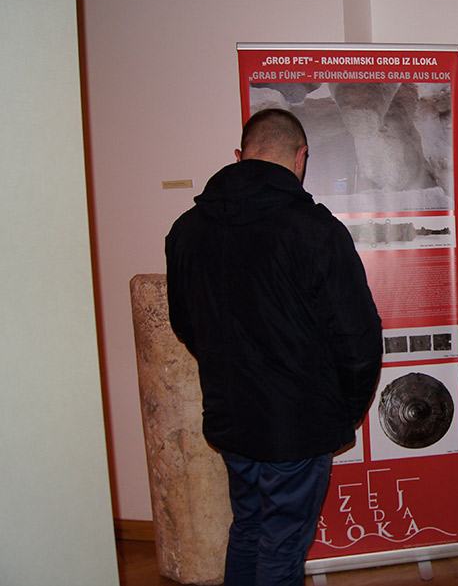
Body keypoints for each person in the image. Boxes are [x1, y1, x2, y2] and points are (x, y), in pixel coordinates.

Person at [165, 108, 383, 586]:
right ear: (301, 157)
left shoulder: (187, 230)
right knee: (281, 547)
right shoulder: (316, 230)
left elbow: (186, 323)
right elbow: (359, 341)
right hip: (297, 426)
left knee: (248, 528)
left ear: (239, 156)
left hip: (230, 418)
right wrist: (341, 411)